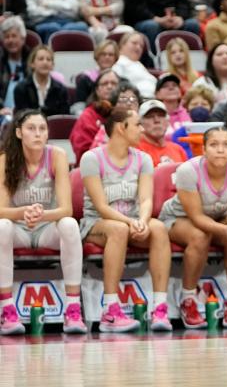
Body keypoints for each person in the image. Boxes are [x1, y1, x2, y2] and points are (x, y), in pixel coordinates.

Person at [79, 105, 172, 333]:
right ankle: (110, 310)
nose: (142, 129)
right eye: (138, 124)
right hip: (97, 223)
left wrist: (141, 219)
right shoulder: (91, 158)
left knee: (159, 228)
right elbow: (100, 206)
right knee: (118, 229)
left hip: (131, 221)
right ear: (121, 128)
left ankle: (159, 308)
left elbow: (146, 199)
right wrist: (131, 223)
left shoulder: (143, 159)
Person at [0, 110, 87, 335]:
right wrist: (23, 212)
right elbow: (1, 211)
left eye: (42, 128)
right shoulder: (5, 159)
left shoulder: (57, 155)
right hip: (18, 229)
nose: (38, 134)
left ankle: (73, 309)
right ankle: (7, 310)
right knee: (1, 227)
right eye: (31, 129)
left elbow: (66, 209)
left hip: (47, 227)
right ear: (19, 133)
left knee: (70, 225)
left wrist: (40, 215)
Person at [158, 127, 227, 329]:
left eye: (226, 145)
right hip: (177, 218)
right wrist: (225, 229)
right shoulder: (187, 171)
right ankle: (188, 299)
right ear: (204, 149)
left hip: (216, 219)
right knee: (200, 236)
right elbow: (198, 218)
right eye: (214, 145)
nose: (220, 150)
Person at [68, 72, 122, 159]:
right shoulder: (87, 116)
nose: (109, 87)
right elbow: (83, 152)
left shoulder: (127, 114)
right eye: (105, 83)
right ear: (97, 90)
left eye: (114, 83)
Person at [13, 45, 69, 116]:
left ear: (52, 65)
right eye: (41, 59)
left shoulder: (61, 90)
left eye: (48, 59)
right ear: (32, 64)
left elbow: (63, 118)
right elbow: (21, 117)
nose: (45, 62)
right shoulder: (21, 88)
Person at [137, 99, 188, 166]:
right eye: (149, 117)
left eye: (161, 115)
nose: (156, 120)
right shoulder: (136, 151)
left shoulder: (178, 149)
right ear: (140, 123)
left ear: (168, 121)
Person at [112, 32, 157, 99]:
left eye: (141, 46)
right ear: (122, 45)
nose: (138, 47)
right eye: (134, 43)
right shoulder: (119, 63)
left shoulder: (139, 64)